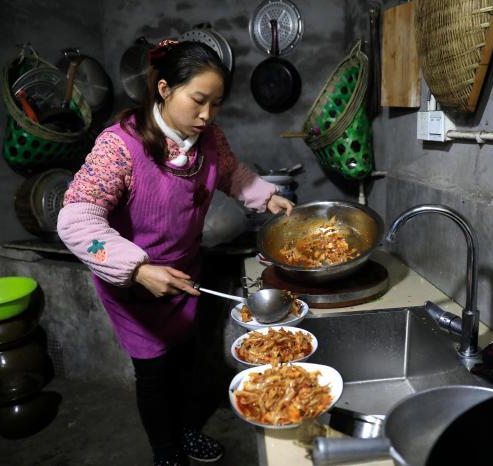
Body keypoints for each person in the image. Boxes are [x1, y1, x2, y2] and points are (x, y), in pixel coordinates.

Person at [57, 39, 294, 466]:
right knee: (154, 372)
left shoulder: (209, 138)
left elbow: (232, 173)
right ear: (164, 89)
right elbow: (76, 220)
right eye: (198, 101)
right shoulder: (119, 146)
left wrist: (265, 197)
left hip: (184, 273)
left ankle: (184, 431)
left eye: (216, 104)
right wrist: (139, 269)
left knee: (185, 361)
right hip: (132, 282)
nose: (207, 115)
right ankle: (165, 453)